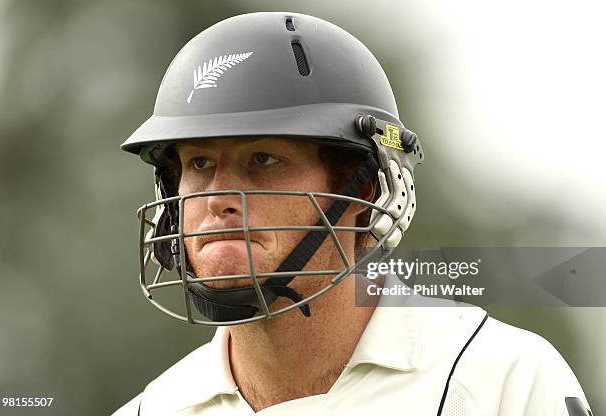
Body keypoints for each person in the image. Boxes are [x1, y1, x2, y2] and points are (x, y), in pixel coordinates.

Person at [113, 12, 592, 416]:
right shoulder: (148, 410)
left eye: (263, 159)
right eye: (199, 163)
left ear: (360, 185)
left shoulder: (503, 381)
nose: (217, 196)